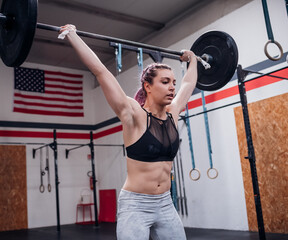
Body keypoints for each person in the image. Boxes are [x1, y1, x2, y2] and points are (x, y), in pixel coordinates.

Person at [59, 24, 197, 240]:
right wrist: (72, 35)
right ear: (147, 86)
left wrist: (194, 59)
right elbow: (101, 72)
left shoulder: (173, 113)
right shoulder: (133, 114)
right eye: (165, 82)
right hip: (136, 205)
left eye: (173, 83)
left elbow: (189, 82)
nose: (172, 87)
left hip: (165, 202)